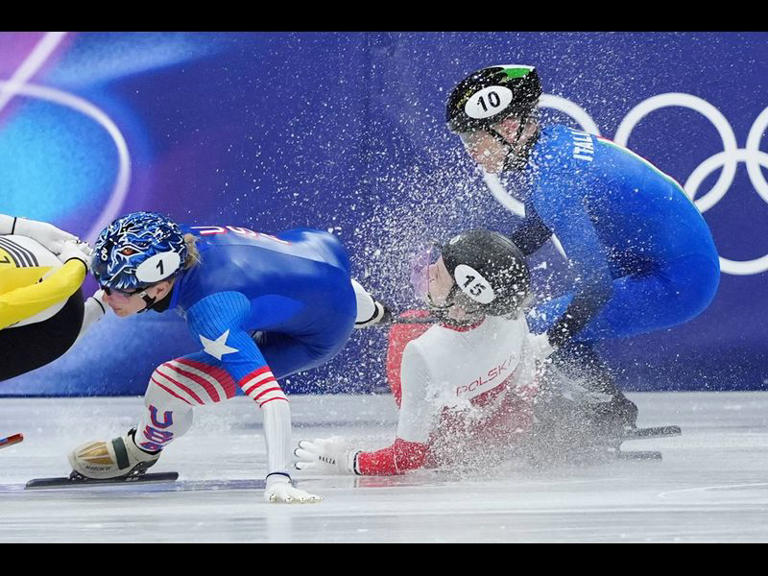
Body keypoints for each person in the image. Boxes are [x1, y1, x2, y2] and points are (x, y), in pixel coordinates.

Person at [444, 65, 721, 438]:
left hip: (681, 279)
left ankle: (607, 415)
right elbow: (531, 234)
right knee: (546, 323)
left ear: (508, 129)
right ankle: (601, 409)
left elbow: (597, 287)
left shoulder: (553, 181)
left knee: (541, 326)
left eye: (475, 141)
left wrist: (545, 344)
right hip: (668, 262)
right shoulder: (550, 147)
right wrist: (471, 271)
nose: (473, 155)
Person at [67, 211, 389, 503]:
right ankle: (372, 310)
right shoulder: (174, 239)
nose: (108, 295)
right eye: (104, 284)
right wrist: (82, 318)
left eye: (118, 290)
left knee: (167, 383)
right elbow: (123, 280)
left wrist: (279, 478)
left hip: (315, 337)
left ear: (161, 288)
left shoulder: (212, 315)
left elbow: (273, 400)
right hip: (321, 250)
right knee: (322, 295)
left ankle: (142, 449)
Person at [294, 229, 540, 476]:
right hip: (507, 428)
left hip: (451, 445)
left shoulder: (422, 351)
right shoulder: (511, 313)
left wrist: (347, 460)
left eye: (439, 274)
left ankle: (433, 436)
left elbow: (407, 458)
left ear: (462, 303)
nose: (429, 270)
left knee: (408, 325)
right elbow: (527, 382)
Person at [0, 214, 104, 382]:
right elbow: (58, 287)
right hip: (45, 261)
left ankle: (95, 309)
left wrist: (23, 227)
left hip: (60, 320)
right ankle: (98, 306)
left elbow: (58, 288)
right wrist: (77, 261)